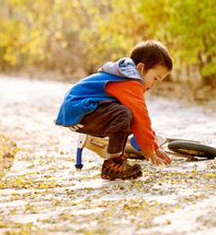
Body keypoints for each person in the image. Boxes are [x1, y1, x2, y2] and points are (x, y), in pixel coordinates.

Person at [55, 40, 174, 180]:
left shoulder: (125, 77)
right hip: (79, 109)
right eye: (155, 78)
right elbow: (142, 116)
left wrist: (154, 146)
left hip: (80, 112)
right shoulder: (130, 81)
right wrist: (149, 151)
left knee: (128, 116)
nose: (154, 84)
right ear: (140, 68)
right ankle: (113, 164)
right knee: (124, 114)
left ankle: (117, 163)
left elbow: (138, 120)